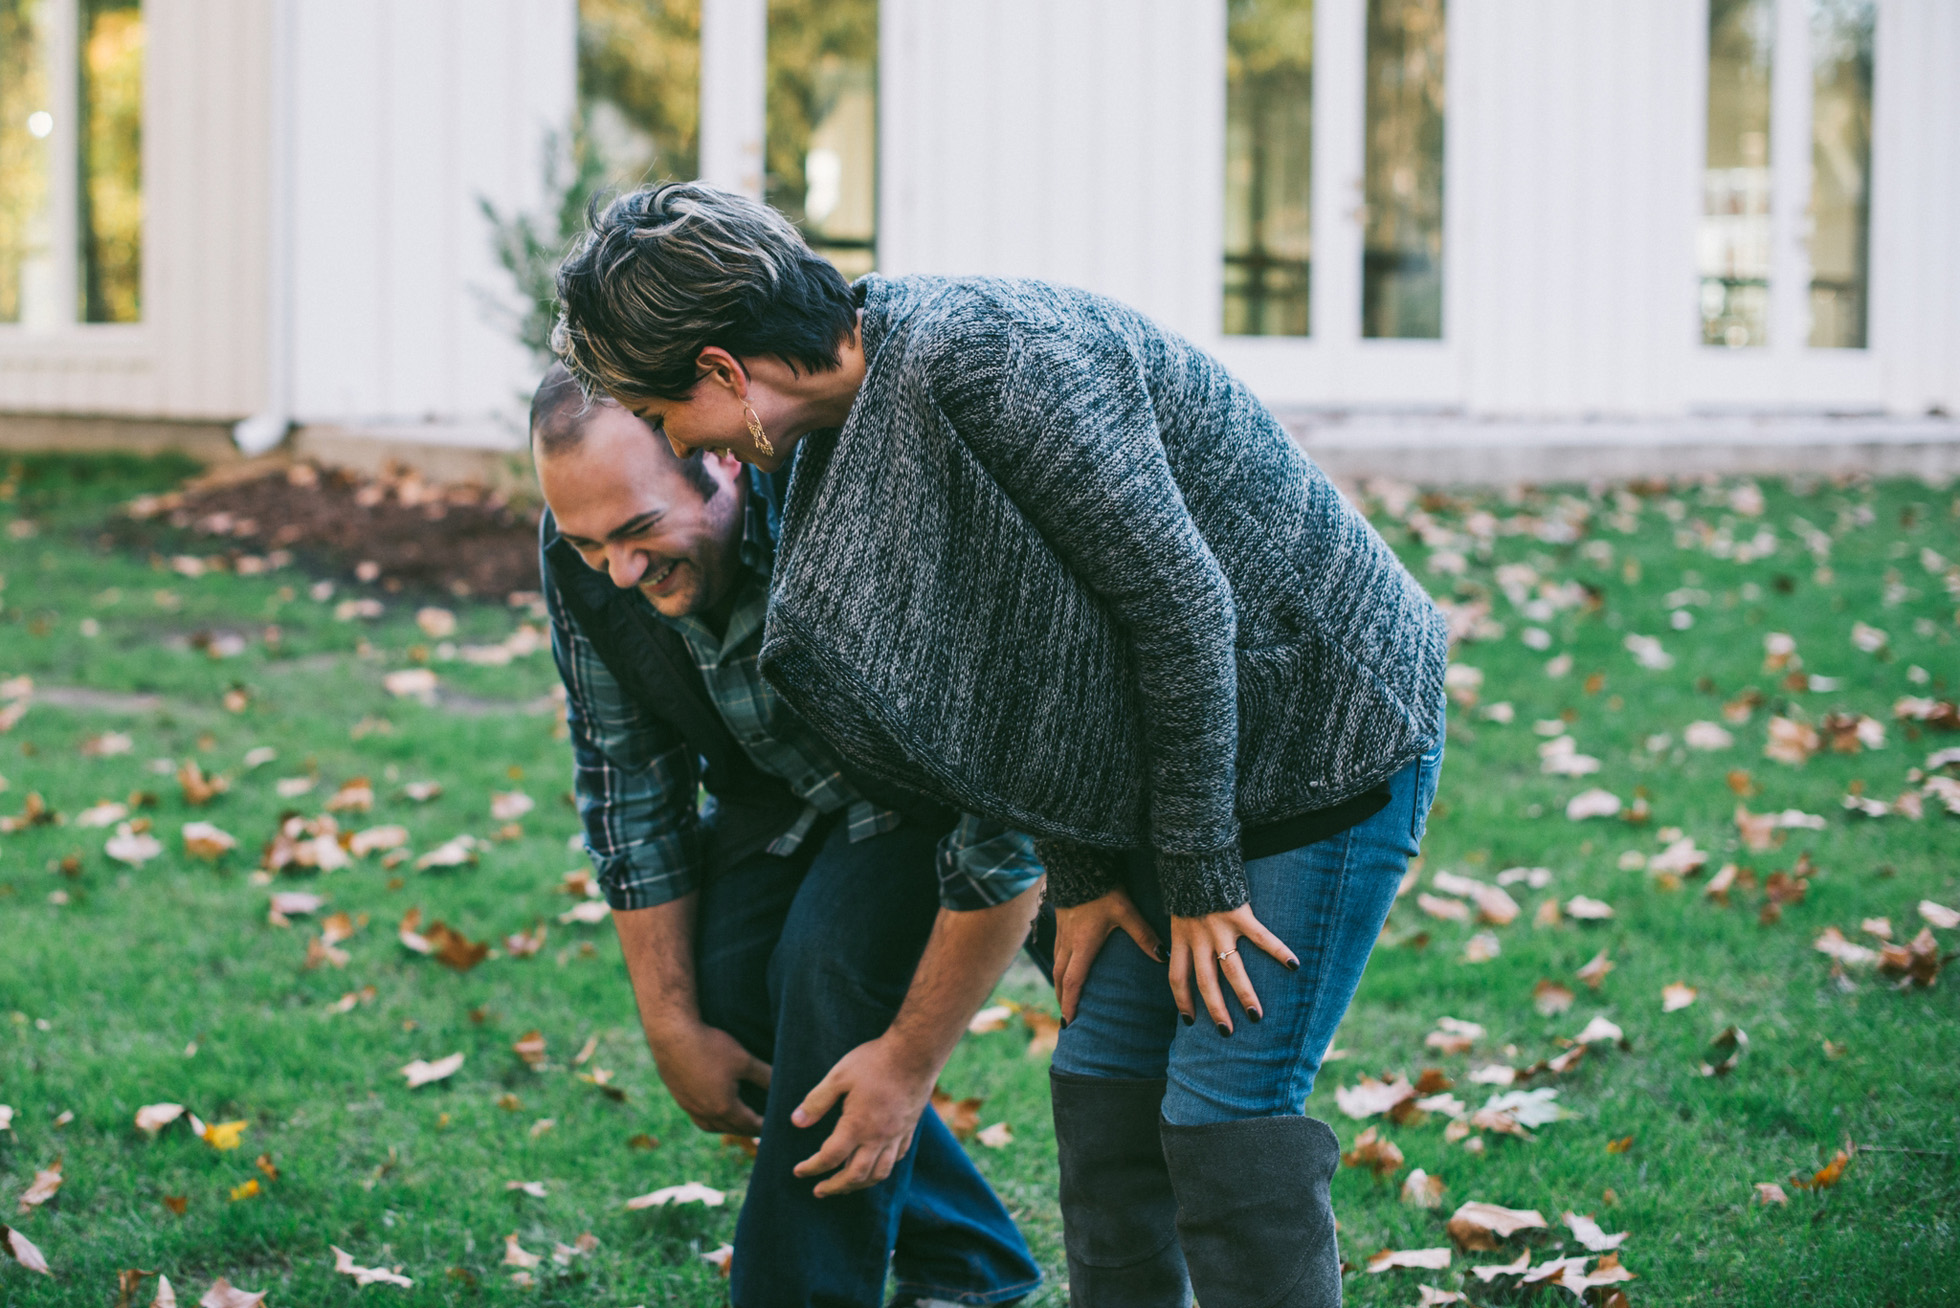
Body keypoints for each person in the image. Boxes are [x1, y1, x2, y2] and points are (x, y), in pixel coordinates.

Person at [551, 182, 1450, 1308]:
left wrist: (1200, 880)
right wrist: (1079, 872)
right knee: (1101, 1084)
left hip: (1323, 733)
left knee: (1222, 1119)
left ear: (727, 374)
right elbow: (1020, 675)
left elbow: (1180, 607)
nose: (674, 440)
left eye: (660, 410)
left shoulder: (988, 357)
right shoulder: (827, 454)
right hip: (1175, 765)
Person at [530, 363, 1050, 1308]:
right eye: (588, 542)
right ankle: (973, 1268)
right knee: (723, 988)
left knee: (827, 967)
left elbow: (1005, 799)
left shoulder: (846, 503)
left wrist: (907, 1064)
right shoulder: (587, 552)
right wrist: (673, 1024)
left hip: (925, 784)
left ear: (719, 463)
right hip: (782, 789)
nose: (619, 570)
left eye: (641, 531)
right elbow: (626, 786)